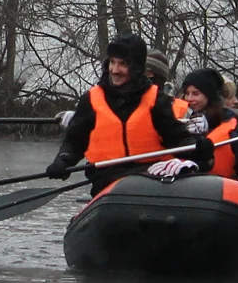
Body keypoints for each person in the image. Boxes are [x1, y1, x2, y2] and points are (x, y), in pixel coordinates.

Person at [43, 33, 207, 192]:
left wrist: (198, 150)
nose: (115, 70)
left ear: (136, 68)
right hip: (106, 181)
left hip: (149, 179)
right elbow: (74, 141)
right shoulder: (92, 99)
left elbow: (176, 138)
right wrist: (63, 160)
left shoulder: (156, 99)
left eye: (122, 64)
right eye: (112, 62)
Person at [181, 68, 238, 182]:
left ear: (209, 95)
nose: (190, 99)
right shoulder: (176, 120)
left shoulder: (233, 126)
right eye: (187, 93)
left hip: (217, 190)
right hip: (181, 188)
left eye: (196, 94)